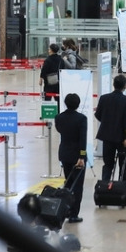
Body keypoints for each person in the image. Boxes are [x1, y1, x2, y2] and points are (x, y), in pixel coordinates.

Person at [54, 93, 87, 223]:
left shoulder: (59, 117)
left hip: (64, 153)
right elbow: (82, 138)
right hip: (77, 156)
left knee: (68, 183)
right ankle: (74, 214)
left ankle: (66, 210)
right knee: (77, 186)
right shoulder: (81, 119)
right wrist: (82, 156)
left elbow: (59, 130)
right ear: (78, 104)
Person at [95, 75, 126, 182]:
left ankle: (105, 184)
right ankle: (122, 185)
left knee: (107, 164)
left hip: (107, 137)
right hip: (121, 138)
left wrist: (107, 122)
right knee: (123, 164)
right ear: (124, 86)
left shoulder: (104, 98)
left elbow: (98, 115)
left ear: (113, 85)